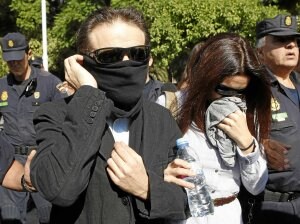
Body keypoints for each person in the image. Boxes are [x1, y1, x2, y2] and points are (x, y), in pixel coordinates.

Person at [28, 7, 187, 224]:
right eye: (110, 56)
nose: (125, 62)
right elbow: (60, 189)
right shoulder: (54, 116)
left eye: (137, 53)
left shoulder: (162, 119)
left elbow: (186, 200)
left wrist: (147, 188)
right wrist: (89, 93)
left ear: (149, 59)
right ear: (83, 62)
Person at [163, 33, 271, 224]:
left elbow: (256, 186)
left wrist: (247, 144)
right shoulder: (172, 104)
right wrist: (163, 175)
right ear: (206, 78)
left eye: (240, 92)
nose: (230, 98)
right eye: (223, 89)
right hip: (185, 216)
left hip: (228, 214)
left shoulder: (245, 112)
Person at [0, 32, 67, 224]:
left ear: (29, 54)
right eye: (9, 60)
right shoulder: (1, 86)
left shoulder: (49, 83)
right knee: (11, 216)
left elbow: (65, 122)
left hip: (41, 160)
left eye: (18, 59)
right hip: (11, 162)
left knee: (47, 216)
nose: (14, 64)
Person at [251, 14, 300, 224]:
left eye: (295, 41)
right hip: (274, 207)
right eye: (280, 40)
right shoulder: (252, 90)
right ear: (261, 51)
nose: (291, 45)